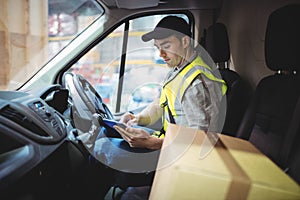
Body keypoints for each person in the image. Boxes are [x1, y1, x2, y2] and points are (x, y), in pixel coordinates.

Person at [89, 15, 227, 199]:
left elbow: (201, 141)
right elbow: (161, 103)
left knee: (100, 149)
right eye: (157, 48)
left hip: (182, 159)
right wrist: (137, 118)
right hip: (169, 144)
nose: (160, 54)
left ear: (185, 41)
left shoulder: (197, 83)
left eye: (166, 46)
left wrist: (153, 143)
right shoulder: (179, 70)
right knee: (105, 138)